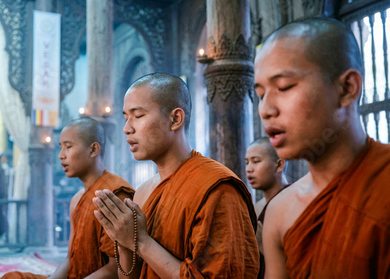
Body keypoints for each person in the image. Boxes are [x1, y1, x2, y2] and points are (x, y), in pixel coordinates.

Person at [254, 17, 390, 279]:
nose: (265, 110)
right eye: (261, 94)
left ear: (347, 88)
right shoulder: (280, 211)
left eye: (284, 87)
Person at [93, 72, 259, 278]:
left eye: (138, 116)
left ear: (175, 119)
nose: (127, 129)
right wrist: (124, 241)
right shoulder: (144, 191)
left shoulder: (217, 189)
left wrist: (142, 242)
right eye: (126, 118)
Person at [2, 117, 135, 279]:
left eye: (68, 147)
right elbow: (70, 259)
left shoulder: (114, 194)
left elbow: (116, 268)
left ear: (93, 150)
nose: (61, 156)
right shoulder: (77, 200)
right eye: (61, 148)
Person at [245, 136, 287, 278]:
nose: (249, 169)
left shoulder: (293, 202)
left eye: (256, 161)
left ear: (279, 165)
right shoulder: (257, 209)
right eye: (247, 162)